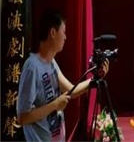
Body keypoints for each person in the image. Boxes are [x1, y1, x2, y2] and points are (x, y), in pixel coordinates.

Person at [17, 10, 109, 142]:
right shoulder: (32, 67)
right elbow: (23, 117)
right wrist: (55, 105)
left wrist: (96, 79)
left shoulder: (51, 63)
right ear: (53, 33)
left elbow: (71, 90)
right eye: (63, 32)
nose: (65, 37)